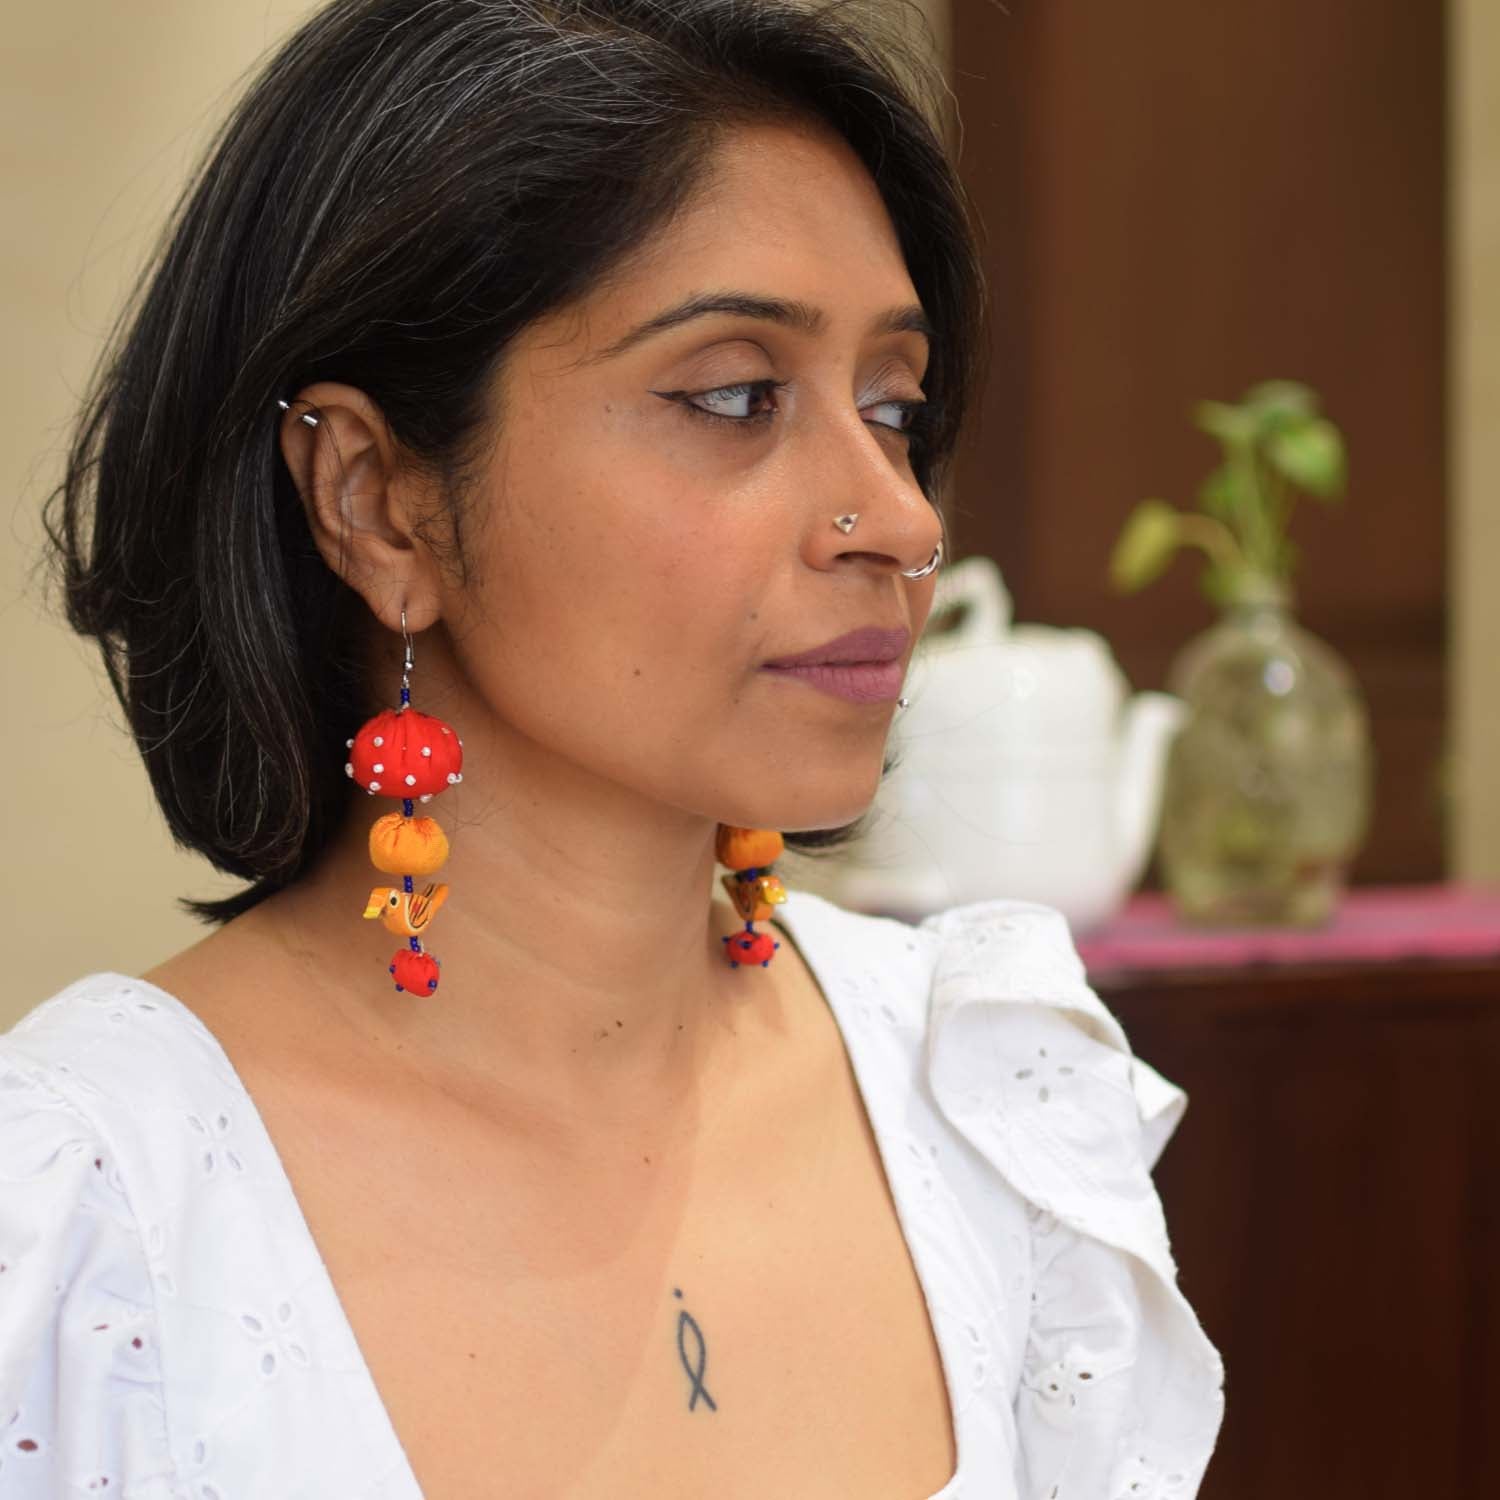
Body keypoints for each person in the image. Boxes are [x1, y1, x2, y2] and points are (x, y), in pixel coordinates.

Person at [0, 0, 1225, 1494]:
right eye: (736, 397)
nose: (903, 520)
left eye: (895, 407)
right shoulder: (90, 1221)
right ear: (377, 502)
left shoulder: (983, 1098)